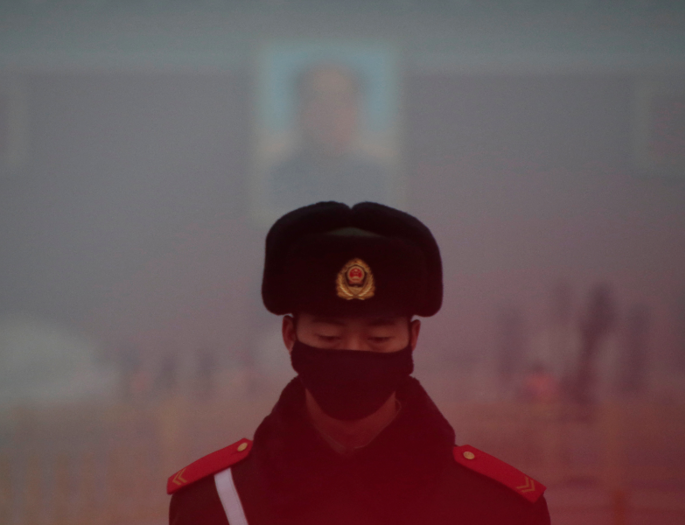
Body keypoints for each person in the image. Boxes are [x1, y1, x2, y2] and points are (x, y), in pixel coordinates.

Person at [167, 201, 550, 525]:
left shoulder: (497, 508)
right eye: (329, 337)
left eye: (378, 339)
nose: (354, 354)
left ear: (413, 338)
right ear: (289, 335)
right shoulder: (217, 503)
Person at [267, 64, 392, 213]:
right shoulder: (271, 180)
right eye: (316, 100)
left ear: (357, 111)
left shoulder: (382, 180)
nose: (329, 113)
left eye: (341, 100)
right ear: (298, 110)